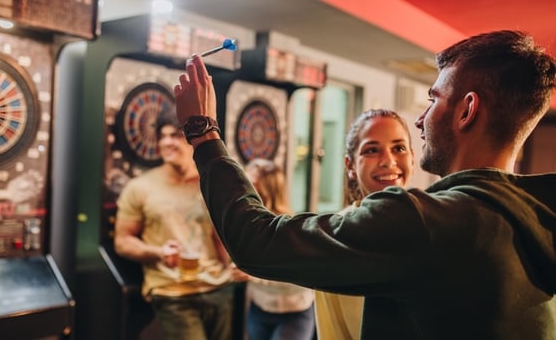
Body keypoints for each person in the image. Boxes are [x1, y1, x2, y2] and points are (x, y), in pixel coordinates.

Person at [173, 29, 556, 340]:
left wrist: (204, 133)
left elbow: (256, 241)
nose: (421, 119)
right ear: (350, 166)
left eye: (433, 99)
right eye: (371, 150)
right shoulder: (538, 215)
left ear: (467, 110)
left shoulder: (428, 221)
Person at [114, 108, 235, 340]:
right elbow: (122, 241)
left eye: (176, 136)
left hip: (219, 288)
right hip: (173, 293)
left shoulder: (209, 183)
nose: (167, 142)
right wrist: (158, 253)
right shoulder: (140, 187)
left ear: (192, 141)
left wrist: (235, 265)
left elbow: (218, 235)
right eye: (163, 136)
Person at [314, 109, 415, 340]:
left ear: (412, 158)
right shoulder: (333, 238)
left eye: (398, 148)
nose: (388, 161)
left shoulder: (438, 225)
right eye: (372, 150)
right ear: (350, 165)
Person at [233, 158, 316, 340]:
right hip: (260, 308)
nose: (243, 190)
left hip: (295, 312)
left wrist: (252, 275)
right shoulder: (249, 226)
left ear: (268, 189)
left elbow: (299, 277)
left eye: (250, 184)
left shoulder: (289, 227)